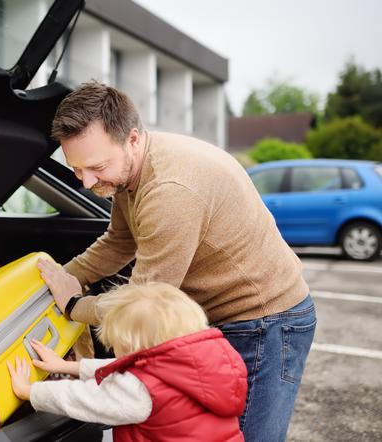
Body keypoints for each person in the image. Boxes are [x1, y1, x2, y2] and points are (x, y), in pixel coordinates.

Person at [36, 81, 317, 441]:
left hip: (265, 321)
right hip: (224, 318)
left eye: (96, 166)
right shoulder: (131, 172)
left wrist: (74, 304)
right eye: (76, 169)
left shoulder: (170, 191)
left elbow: (145, 298)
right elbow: (119, 241)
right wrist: (65, 276)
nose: (87, 181)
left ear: (132, 139)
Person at [7, 282, 247, 441]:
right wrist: (67, 366)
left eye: (116, 345)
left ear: (133, 346)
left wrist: (31, 391)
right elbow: (131, 374)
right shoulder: (202, 361)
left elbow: (84, 399)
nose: (114, 351)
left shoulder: (143, 391)